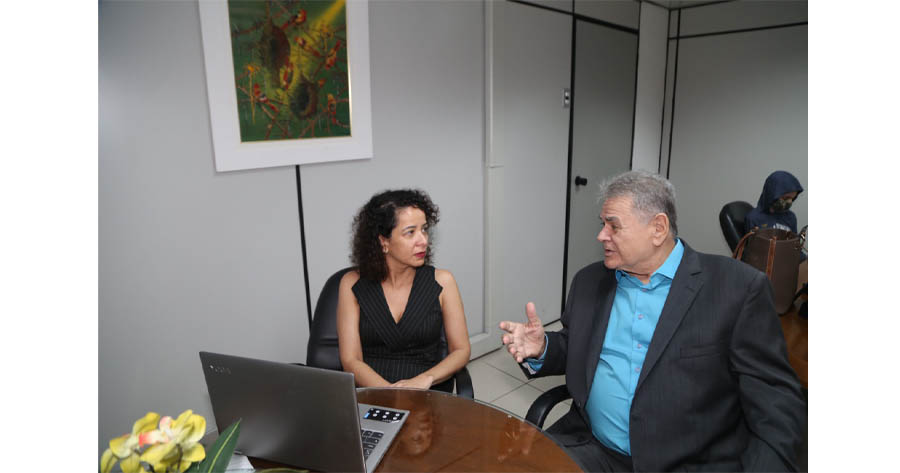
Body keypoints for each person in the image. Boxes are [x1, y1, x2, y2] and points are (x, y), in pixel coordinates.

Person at [499, 171, 805, 472]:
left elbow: (777, 405)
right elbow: (575, 346)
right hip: (592, 447)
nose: (601, 235)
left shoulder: (736, 289)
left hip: (688, 463)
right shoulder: (589, 281)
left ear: (658, 228)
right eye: (602, 224)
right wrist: (542, 348)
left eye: (613, 226)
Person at [337, 189, 470, 392]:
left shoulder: (443, 282)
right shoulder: (351, 284)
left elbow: (461, 350)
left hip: (426, 390)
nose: (423, 240)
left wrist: (425, 379)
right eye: (410, 232)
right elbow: (351, 360)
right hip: (371, 391)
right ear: (384, 241)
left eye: (424, 229)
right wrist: (392, 394)